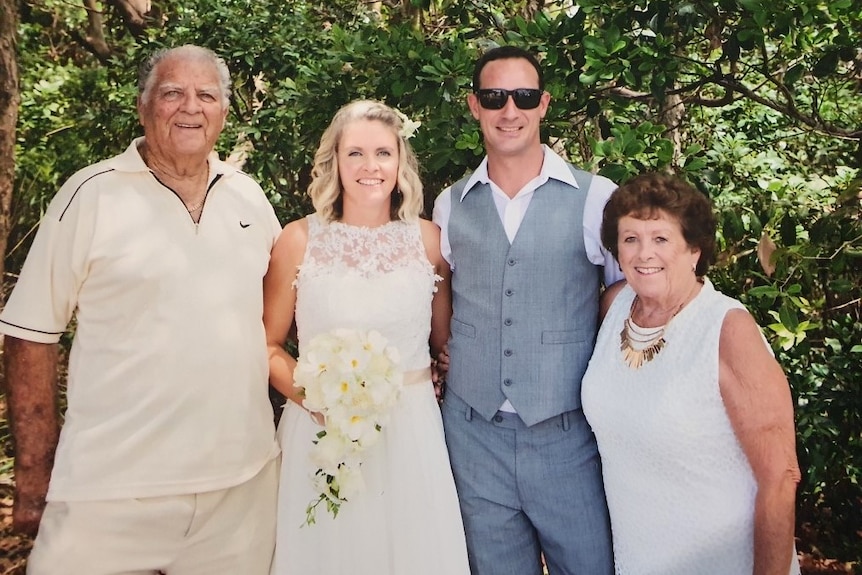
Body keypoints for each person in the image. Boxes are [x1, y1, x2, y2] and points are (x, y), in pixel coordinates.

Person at [1, 45, 281, 574]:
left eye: (206, 95)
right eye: (172, 92)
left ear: (225, 111)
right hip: (108, 491)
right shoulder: (90, 194)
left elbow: (280, 321)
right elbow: (30, 335)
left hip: (240, 490)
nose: (190, 108)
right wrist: (35, 474)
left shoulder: (249, 197)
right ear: (143, 105)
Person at [432, 45, 620, 574]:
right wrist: (449, 351)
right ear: (474, 106)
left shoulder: (596, 197)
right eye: (494, 97)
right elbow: (440, 291)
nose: (509, 110)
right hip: (472, 433)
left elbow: (626, 290)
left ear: (543, 105)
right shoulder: (450, 204)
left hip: (565, 434)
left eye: (524, 96)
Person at [264, 99, 470, 574]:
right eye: (355, 153)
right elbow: (268, 346)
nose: (370, 166)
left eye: (383, 153)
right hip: (321, 429)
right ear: (335, 161)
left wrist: (443, 371)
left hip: (410, 429)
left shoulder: (430, 240)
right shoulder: (299, 239)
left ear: (400, 162)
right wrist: (315, 399)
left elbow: (444, 341)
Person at [581, 172, 802, 574]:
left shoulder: (727, 329)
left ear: (695, 250)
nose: (644, 253)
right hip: (640, 558)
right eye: (631, 239)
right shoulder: (614, 307)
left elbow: (780, 478)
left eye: (661, 239)